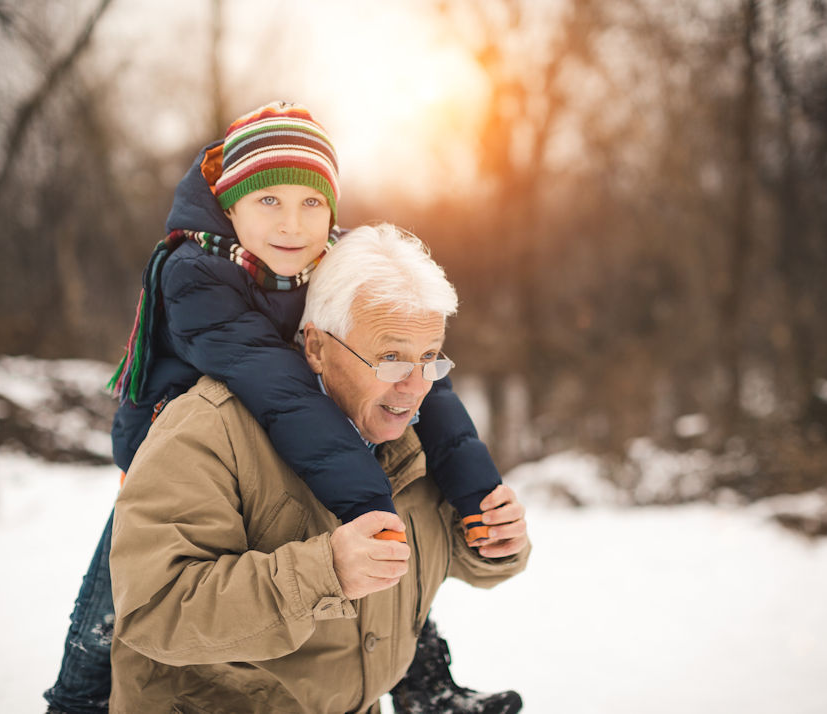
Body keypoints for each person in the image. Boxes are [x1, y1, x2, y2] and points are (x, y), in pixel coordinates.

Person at [44, 101, 517, 713]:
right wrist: (370, 503)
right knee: (111, 602)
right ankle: (75, 701)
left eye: (311, 203)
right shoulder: (195, 272)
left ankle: (427, 680)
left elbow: (434, 391)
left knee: (378, 554)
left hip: (284, 419)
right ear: (230, 206)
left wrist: (480, 493)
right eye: (269, 201)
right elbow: (280, 387)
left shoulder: (331, 262)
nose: (292, 224)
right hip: (168, 445)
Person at [108, 223, 531, 712]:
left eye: (430, 357)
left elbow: (449, 559)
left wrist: (495, 541)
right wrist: (323, 572)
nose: (416, 387)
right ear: (315, 347)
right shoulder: (209, 428)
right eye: (390, 357)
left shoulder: (417, 434)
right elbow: (154, 611)